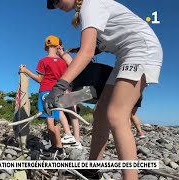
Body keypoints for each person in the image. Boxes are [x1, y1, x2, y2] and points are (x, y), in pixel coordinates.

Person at [44, 0, 162, 179]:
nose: (55, 4)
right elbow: (105, 40)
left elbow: (87, 52)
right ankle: (92, 169)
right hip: (125, 55)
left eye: (56, 0)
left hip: (141, 49)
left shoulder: (90, 4)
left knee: (116, 114)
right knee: (100, 113)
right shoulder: (87, 9)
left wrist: (59, 86)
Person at [19, 35, 72, 157]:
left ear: (46, 45)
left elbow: (39, 79)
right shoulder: (63, 62)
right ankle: (57, 147)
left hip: (46, 92)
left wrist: (26, 71)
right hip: (59, 92)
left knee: (50, 122)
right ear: (58, 45)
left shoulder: (43, 61)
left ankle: (58, 148)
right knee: (54, 120)